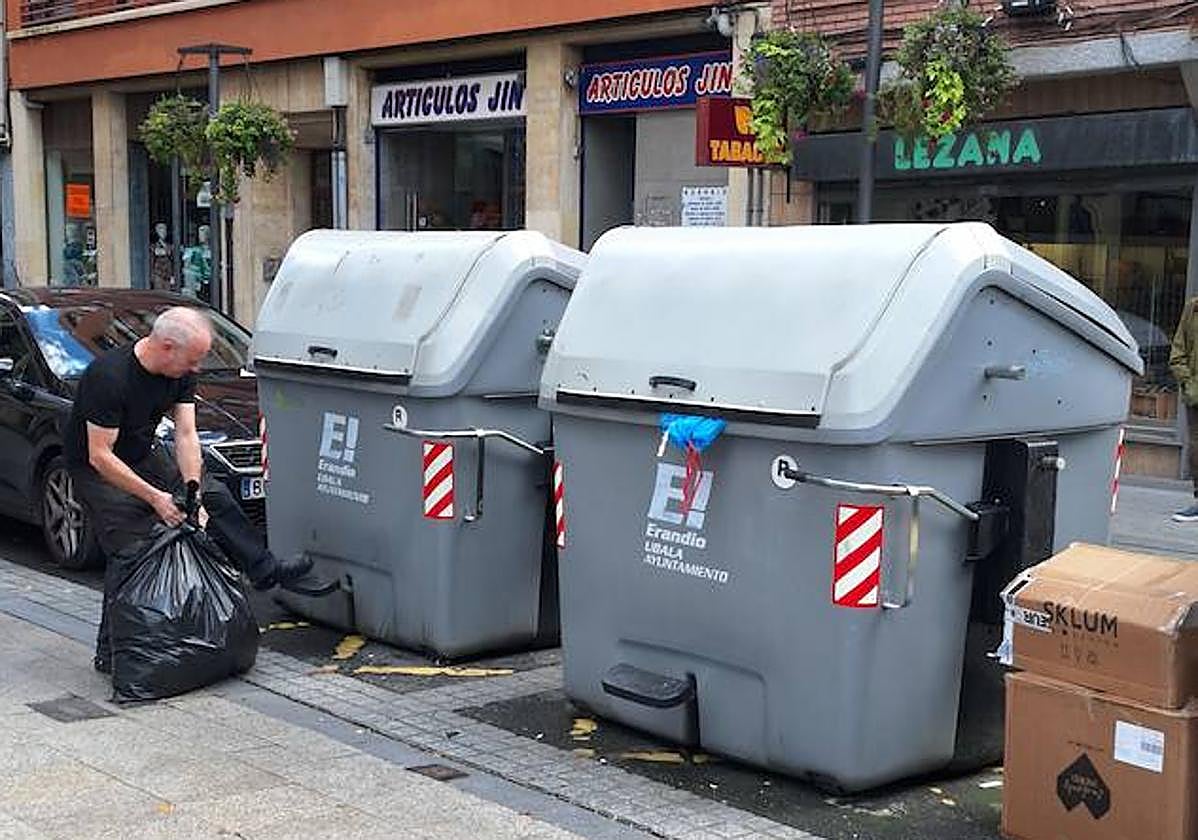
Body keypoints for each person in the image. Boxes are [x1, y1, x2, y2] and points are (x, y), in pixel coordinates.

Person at [64, 307, 335, 672]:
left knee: (215, 496)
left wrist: (193, 490)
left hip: (142, 453)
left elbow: (187, 434)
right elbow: (100, 456)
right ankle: (117, 652)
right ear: (166, 346)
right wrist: (157, 498)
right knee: (131, 548)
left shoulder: (181, 371)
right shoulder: (109, 377)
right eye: (192, 360)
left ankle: (263, 569)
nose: (196, 368)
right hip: (98, 467)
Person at [1170, 297, 1198, 522]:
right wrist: (1189, 384)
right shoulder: (1193, 308)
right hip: (1197, 395)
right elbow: (1178, 353)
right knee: (1197, 450)